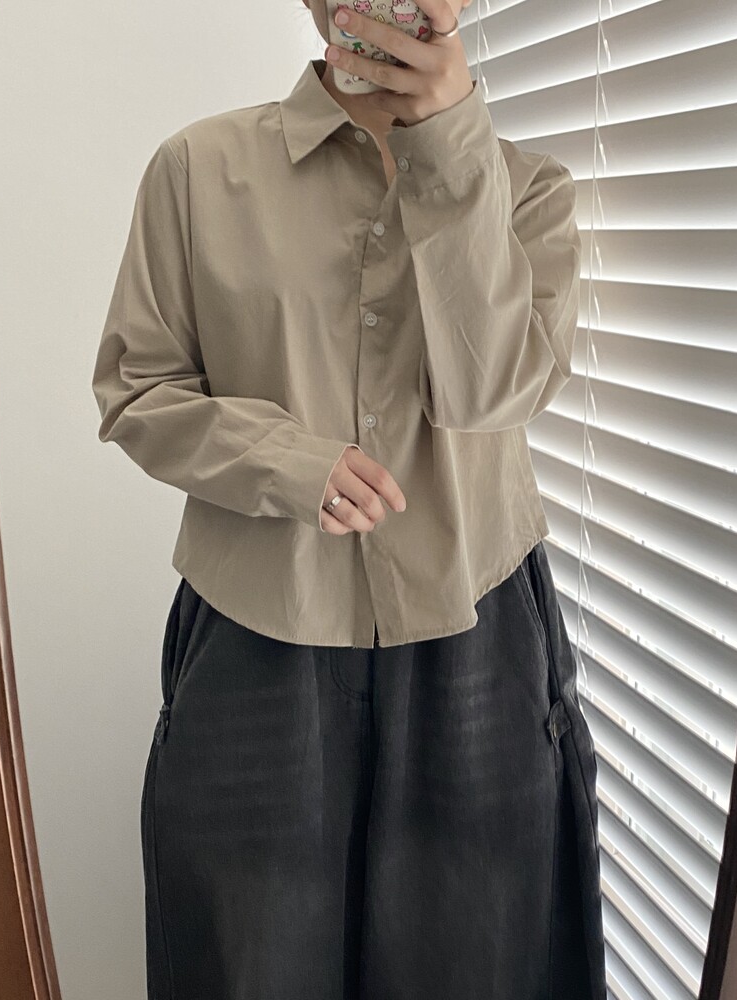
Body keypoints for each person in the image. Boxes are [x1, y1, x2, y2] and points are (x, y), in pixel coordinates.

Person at [91, 0, 607, 996]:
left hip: (475, 625)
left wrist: (449, 150)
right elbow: (137, 389)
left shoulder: (527, 189)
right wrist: (283, 462)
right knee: (249, 960)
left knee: (477, 961)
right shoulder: (198, 170)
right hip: (257, 625)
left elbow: (493, 393)